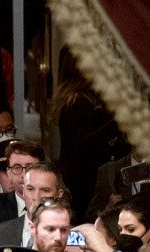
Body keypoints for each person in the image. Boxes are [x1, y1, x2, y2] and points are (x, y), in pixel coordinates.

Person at [48, 47, 129, 223]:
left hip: (79, 174)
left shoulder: (79, 98)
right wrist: (116, 122)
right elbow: (84, 142)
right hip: (82, 177)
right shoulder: (78, 101)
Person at [0, 161, 63, 249]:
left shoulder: (72, 236)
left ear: (59, 194)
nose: (36, 197)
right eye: (30, 189)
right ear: (23, 191)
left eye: (45, 190)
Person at [0, 139, 44, 225]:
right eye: (17, 167)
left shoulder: (54, 205)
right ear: (9, 173)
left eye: (30, 167)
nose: (24, 174)